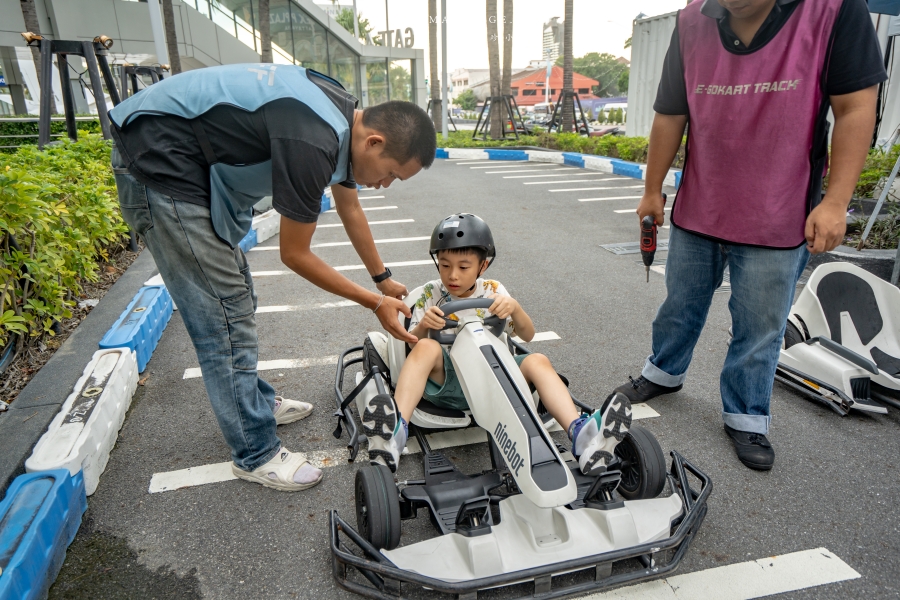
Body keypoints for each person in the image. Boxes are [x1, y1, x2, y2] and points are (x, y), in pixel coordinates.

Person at [108, 64, 435, 492]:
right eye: (391, 173)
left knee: (237, 297)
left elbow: (350, 207)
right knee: (224, 316)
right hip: (160, 166)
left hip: (179, 160)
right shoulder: (314, 140)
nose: (387, 185)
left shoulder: (343, 119)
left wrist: (382, 279)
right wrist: (374, 303)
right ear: (374, 142)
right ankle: (255, 452)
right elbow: (295, 255)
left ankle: (254, 405)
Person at [612, 0, 885, 470]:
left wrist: (836, 202)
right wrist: (652, 190)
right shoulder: (692, 20)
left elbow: (856, 105)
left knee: (759, 326)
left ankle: (746, 415)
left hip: (777, 215)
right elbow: (670, 112)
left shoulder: (832, 11)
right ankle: (663, 371)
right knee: (680, 302)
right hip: (701, 205)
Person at [364, 214, 633, 474]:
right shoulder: (429, 295)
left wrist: (515, 308)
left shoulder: (494, 291)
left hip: (494, 376)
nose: (452, 275)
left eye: (463, 267)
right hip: (447, 381)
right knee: (426, 347)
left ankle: (581, 435)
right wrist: (424, 326)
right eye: (445, 265)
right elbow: (411, 347)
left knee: (537, 359)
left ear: (483, 266)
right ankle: (396, 431)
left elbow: (527, 335)